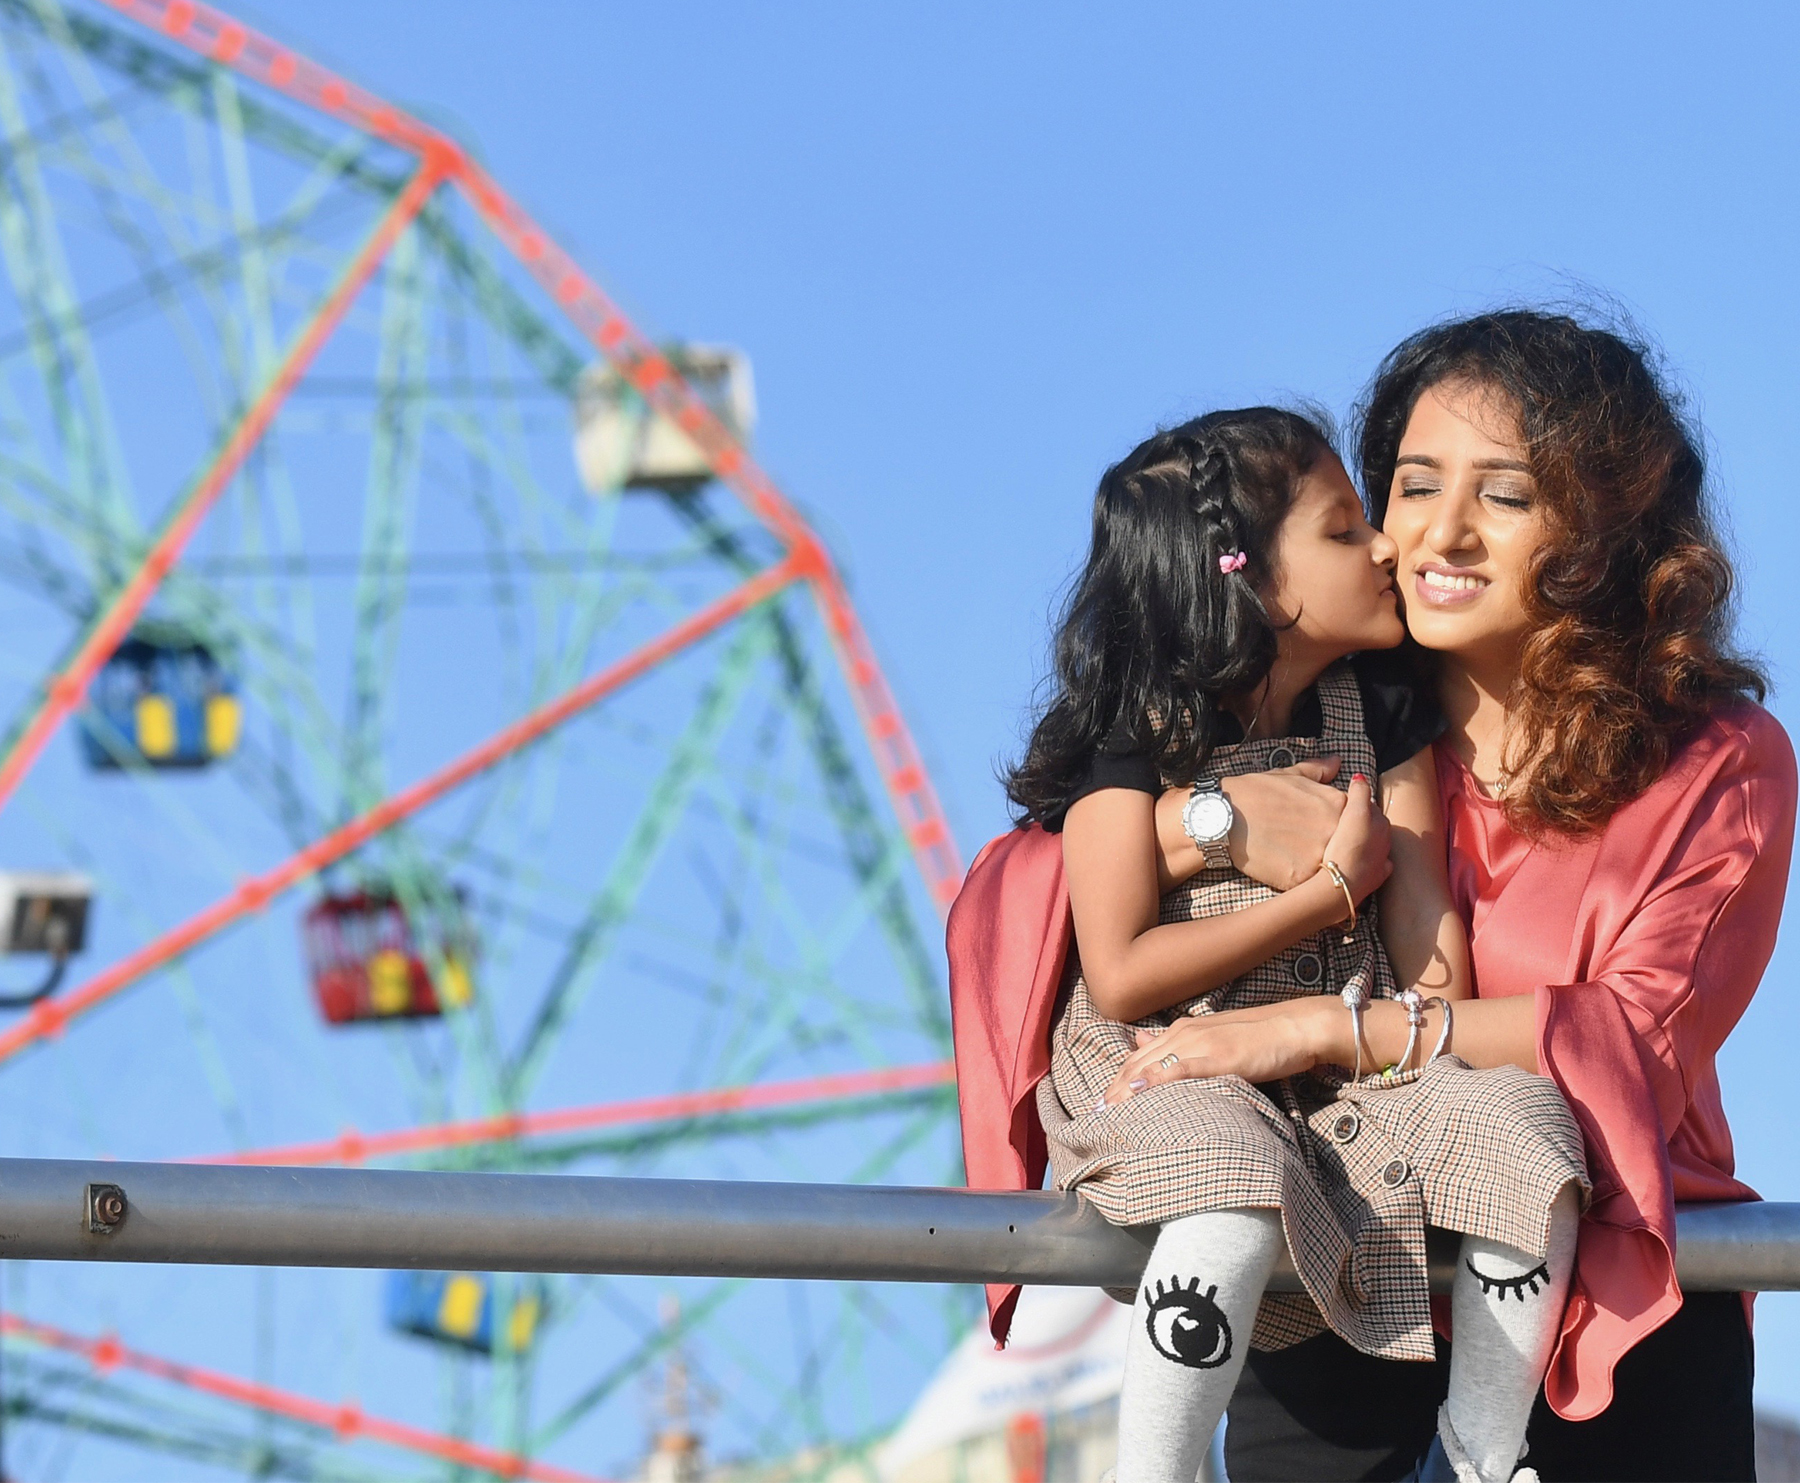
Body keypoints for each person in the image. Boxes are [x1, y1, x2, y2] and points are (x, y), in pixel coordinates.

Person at [1121, 312, 1796, 1482]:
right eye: (1414, 484)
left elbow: (1630, 1042)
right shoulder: (1302, 715)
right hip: (1335, 1297)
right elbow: (1028, 887)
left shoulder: (1718, 762)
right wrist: (1202, 823)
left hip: (1609, 1324)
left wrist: (1328, 1028)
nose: (1442, 532)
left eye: (1507, 495)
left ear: (1603, 529)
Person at [954, 407, 1588, 1483]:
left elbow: (1424, 926)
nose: (1387, 545)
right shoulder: (1129, 740)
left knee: (1523, 1127)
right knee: (1229, 1195)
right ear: (1252, 581)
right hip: (1170, 1063)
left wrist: (1421, 1047)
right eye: (1346, 531)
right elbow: (1121, 972)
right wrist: (1323, 893)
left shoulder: (1380, 712)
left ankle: (1482, 1455)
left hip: (1343, 1063)